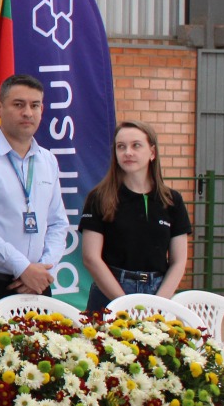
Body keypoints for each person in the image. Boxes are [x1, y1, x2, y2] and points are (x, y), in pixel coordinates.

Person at [0, 74, 70, 319]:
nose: (28, 113)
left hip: (38, 286)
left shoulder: (48, 160)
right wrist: (22, 267)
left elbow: (58, 223)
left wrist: (41, 270)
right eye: (18, 104)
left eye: (35, 105)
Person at [80, 121, 190, 311]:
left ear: (152, 152)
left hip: (157, 293)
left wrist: (159, 305)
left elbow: (179, 261)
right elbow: (91, 257)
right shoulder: (99, 197)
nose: (128, 152)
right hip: (111, 293)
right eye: (121, 147)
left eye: (136, 145)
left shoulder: (172, 200)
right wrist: (125, 305)